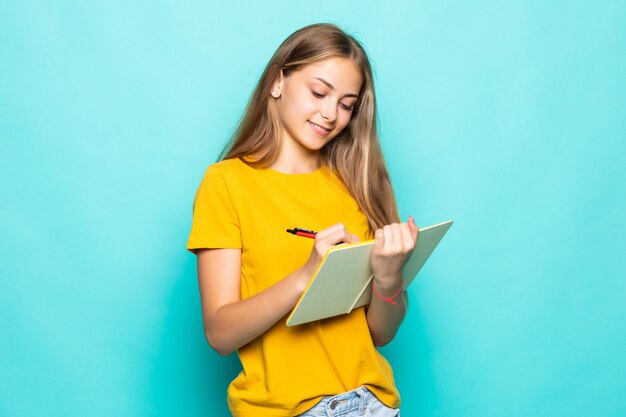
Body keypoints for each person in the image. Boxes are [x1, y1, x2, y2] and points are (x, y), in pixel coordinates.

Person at [187, 23, 419, 417]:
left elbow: (380, 333)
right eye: (319, 92)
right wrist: (305, 276)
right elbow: (220, 333)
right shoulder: (226, 183)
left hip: (373, 404)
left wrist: (388, 277)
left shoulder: (358, 183)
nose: (331, 114)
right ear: (278, 81)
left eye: (347, 104)